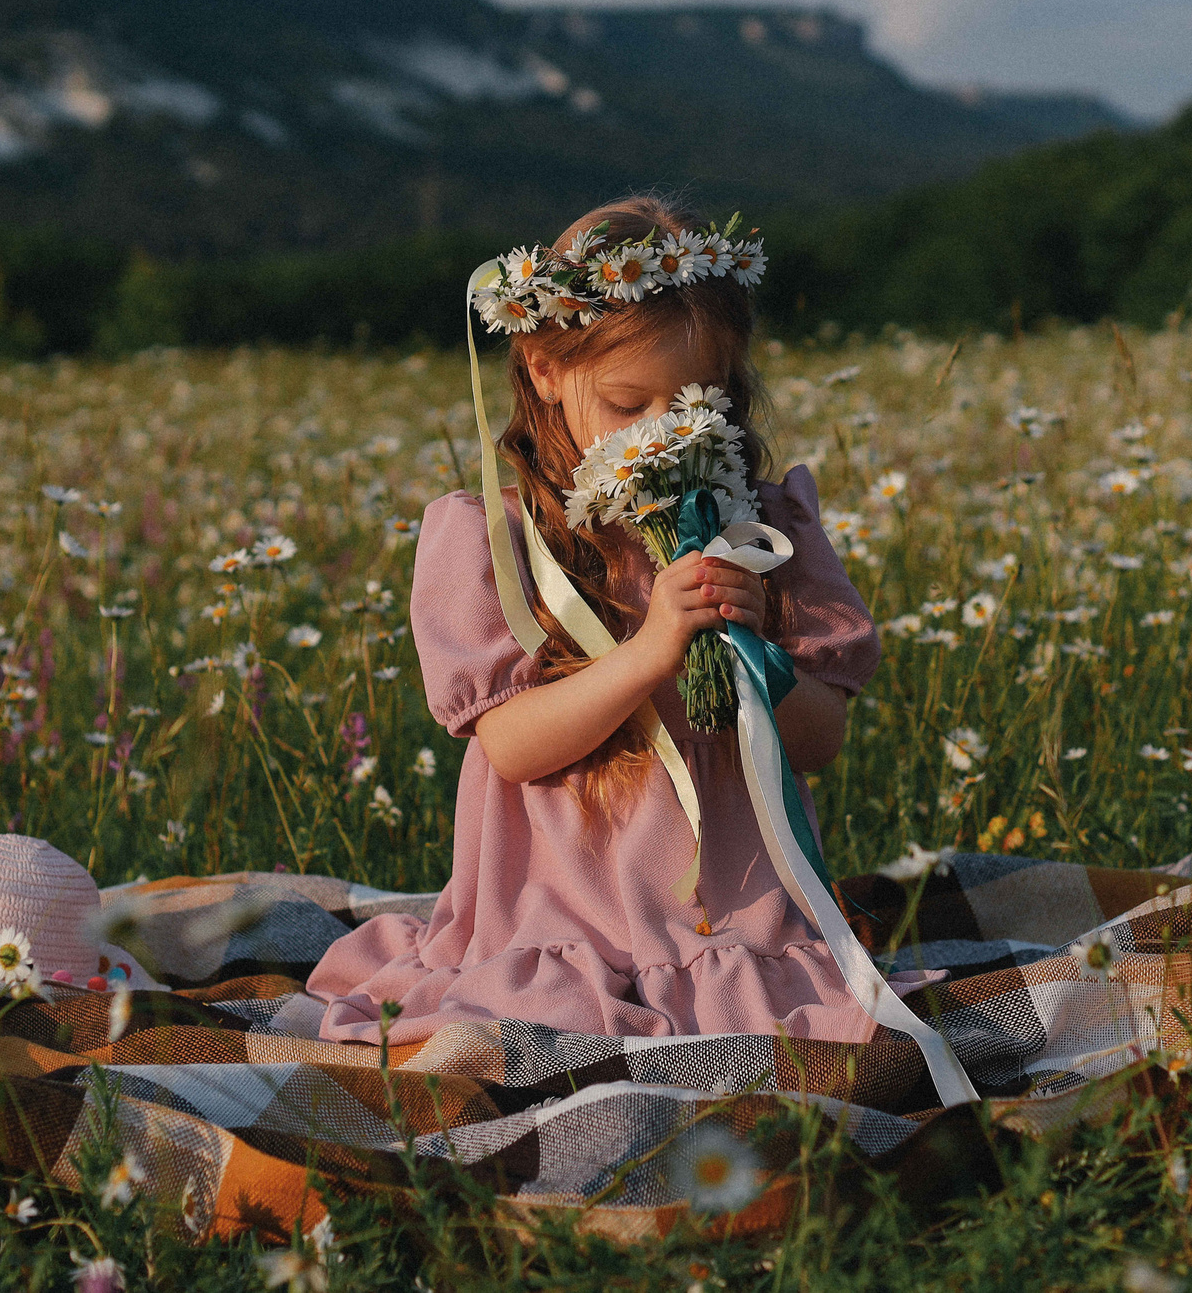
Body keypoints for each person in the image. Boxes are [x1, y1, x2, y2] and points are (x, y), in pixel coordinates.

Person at [306, 196, 887, 1045]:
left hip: (736, 916)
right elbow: (512, 744)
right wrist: (651, 651)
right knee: (536, 1033)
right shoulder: (497, 540)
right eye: (627, 404)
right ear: (543, 366)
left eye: (700, 404)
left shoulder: (766, 528)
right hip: (557, 910)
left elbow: (819, 740)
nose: (666, 434)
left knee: (785, 1036)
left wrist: (755, 650)